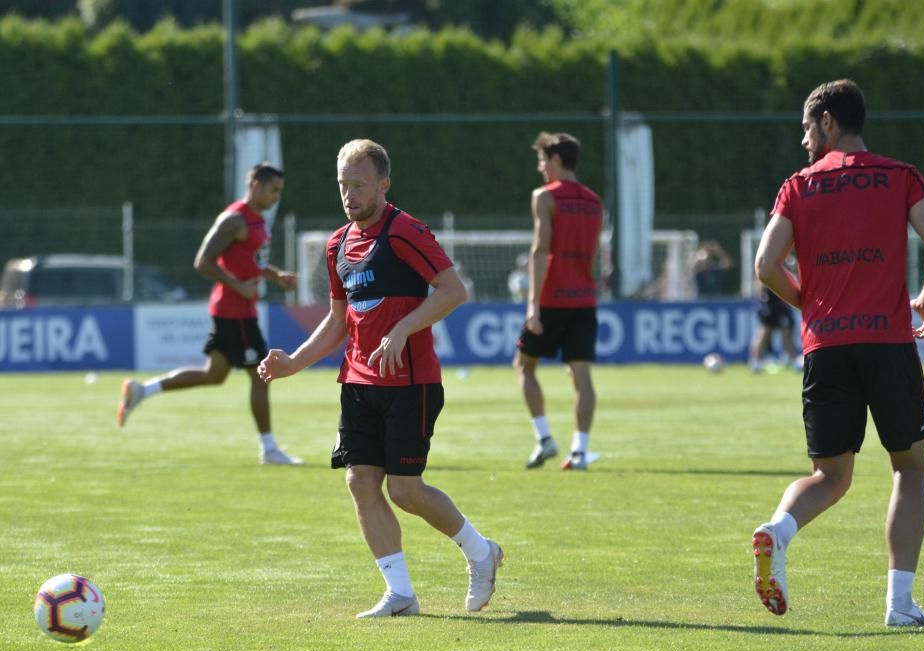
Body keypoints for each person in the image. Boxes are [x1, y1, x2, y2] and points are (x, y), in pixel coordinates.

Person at [257, 139, 503, 618]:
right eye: (342, 185)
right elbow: (337, 322)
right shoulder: (336, 246)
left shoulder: (405, 231)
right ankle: (401, 594)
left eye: (359, 185)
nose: (349, 195)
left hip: (411, 384)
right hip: (358, 384)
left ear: (383, 185)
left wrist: (403, 327)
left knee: (405, 490)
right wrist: (294, 363)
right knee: (360, 482)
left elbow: (453, 290)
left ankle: (480, 552)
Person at [751, 79, 924, 626]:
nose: (803, 141)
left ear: (829, 122)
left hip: (826, 348)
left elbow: (765, 266)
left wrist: (808, 307)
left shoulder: (798, 187)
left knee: (830, 476)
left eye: (806, 128)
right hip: (888, 344)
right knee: (909, 470)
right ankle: (899, 605)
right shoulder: (900, 177)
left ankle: (777, 531)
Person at [116, 162, 302, 466]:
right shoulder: (234, 219)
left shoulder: (257, 220)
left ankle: (142, 390)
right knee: (261, 376)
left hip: (237, 310)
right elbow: (202, 261)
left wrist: (276, 275)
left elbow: (250, 261)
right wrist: (238, 286)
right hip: (235, 312)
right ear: (255, 185)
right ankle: (268, 449)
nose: (277, 197)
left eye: (279, 191)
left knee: (213, 375)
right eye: (273, 190)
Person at [515, 131, 604, 471]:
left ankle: (544, 439)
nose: (540, 168)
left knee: (524, 364)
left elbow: (540, 251)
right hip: (584, 299)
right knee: (581, 376)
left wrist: (533, 305)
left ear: (555, 160)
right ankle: (580, 451)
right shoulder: (594, 201)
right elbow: (593, 254)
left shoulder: (545, 197)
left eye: (542, 161)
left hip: (552, 298)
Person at [748, 282, 797, 373]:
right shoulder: (765, 270)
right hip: (770, 303)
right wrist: (763, 298)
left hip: (780, 304)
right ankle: (755, 362)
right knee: (764, 332)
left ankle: (791, 359)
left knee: (786, 331)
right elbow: (762, 281)